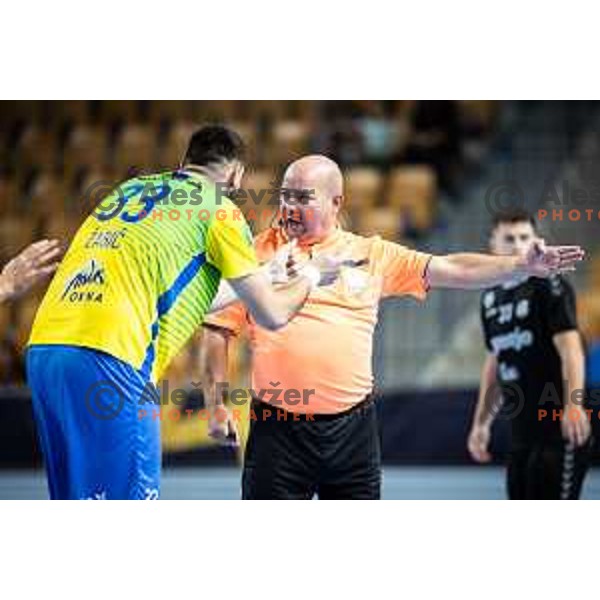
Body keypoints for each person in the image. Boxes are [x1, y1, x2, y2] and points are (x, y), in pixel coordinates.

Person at [201, 155, 585, 500]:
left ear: (336, 203)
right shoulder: (254, 255)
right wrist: (216, 405)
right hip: (277, 429)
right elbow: (217, 330)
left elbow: (451, 267)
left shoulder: (372, 254)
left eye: (304, 197)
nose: (289, 206)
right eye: (286, 195)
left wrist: (519, 265)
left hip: (352, 430)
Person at [26, 126, 342, 500]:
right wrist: (311, 276)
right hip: (111, 355)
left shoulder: (129, 190)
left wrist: (268, 275)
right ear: (236, 175)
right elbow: (272, 315)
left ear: (183, 163)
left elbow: (184, 299)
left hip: (45, 349)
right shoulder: (220, 210)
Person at [467, 209, 592, 499]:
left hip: (558, 432)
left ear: (536, 241)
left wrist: (574, 405)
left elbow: (572, 349)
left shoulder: (548, 285)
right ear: (493, 246)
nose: (518, 244)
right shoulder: (490, 296)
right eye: (508, 238)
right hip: (521, 436)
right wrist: (481, 423)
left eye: (525, 237)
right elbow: (495, 360)